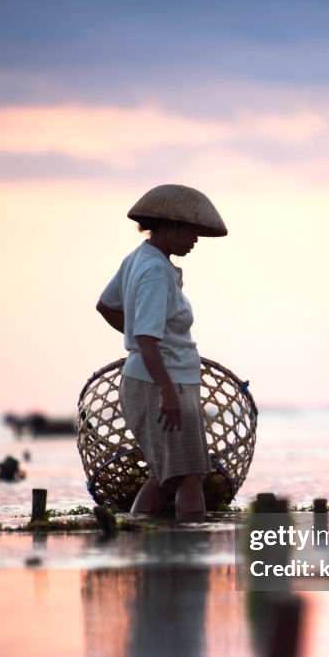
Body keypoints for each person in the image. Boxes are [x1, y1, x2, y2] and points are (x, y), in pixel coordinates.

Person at [96, 184, 227, 522]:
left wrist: (140, 342)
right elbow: (146, 336)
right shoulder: (155, 272)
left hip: (154, 378)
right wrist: (166, 389)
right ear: (169, 226)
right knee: (190, 474)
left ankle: (141, 542)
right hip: (162, 383)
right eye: (190, 231)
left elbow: (108, 306)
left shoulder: (140, 258)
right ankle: (191, 556)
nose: (195, 239)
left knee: (166, 474)